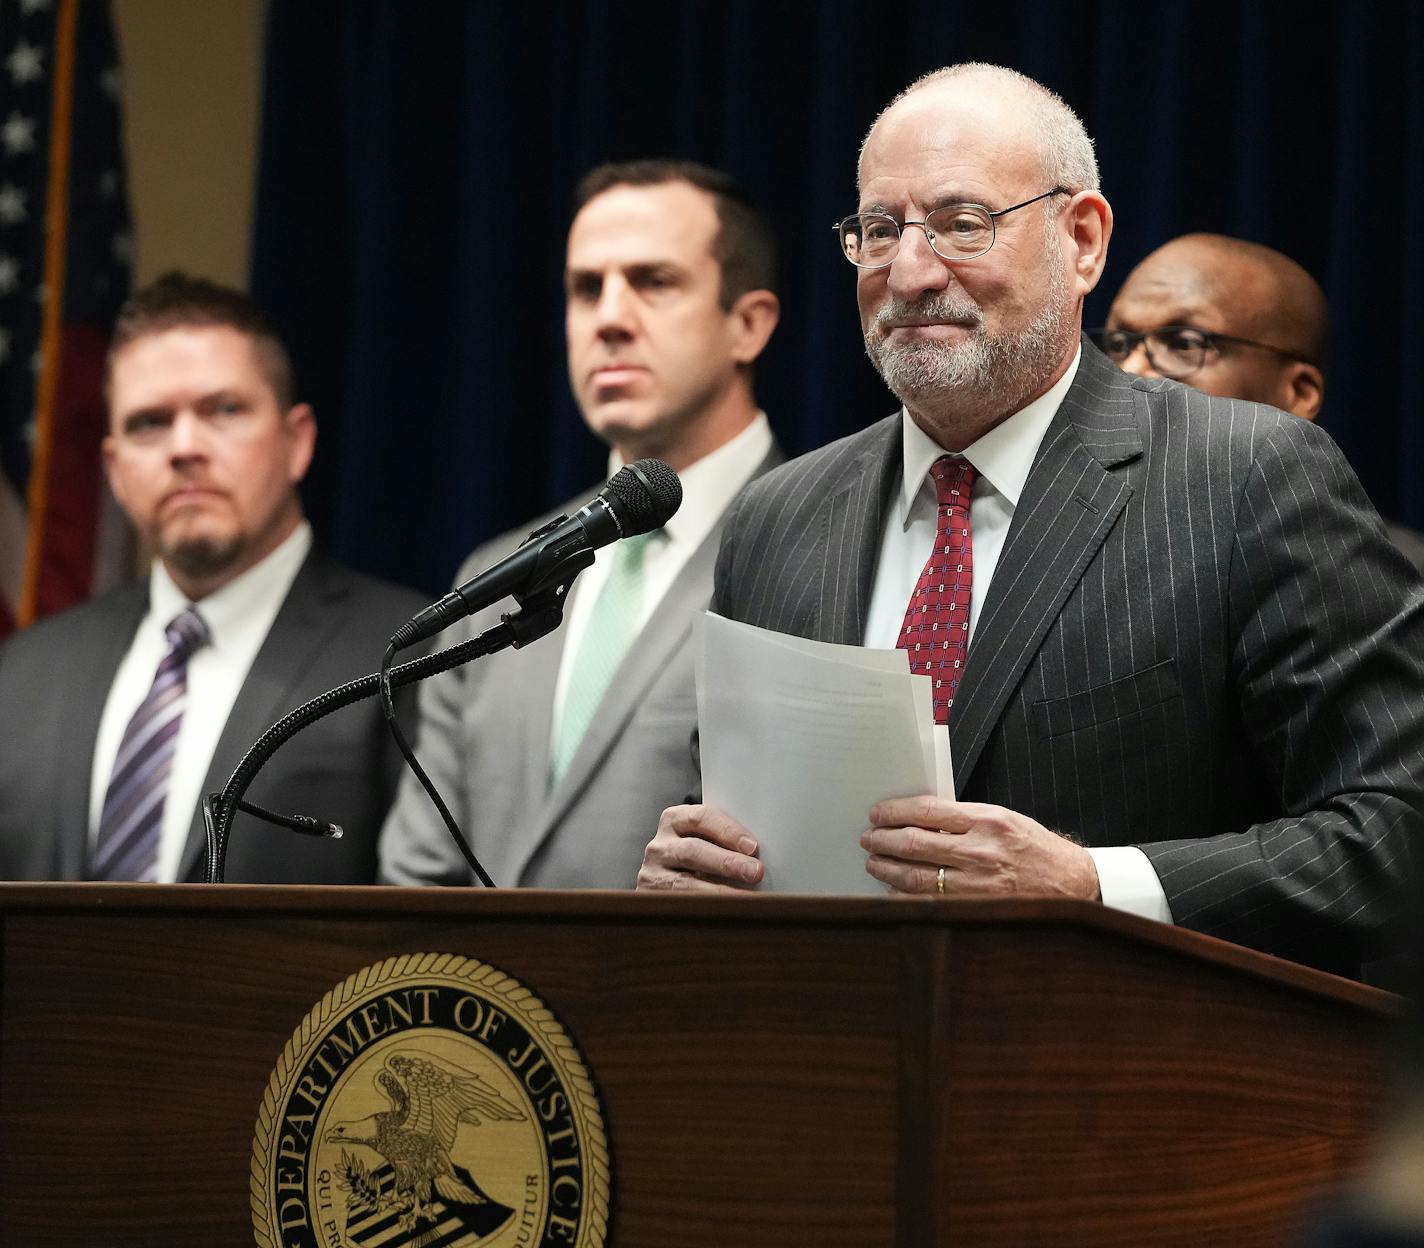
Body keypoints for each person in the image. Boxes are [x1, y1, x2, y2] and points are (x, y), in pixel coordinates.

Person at [636, 64, 1424, 978]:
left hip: (1141, 1092)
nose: (912, 272)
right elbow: (736, 830)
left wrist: (1094, 886)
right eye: (879, 231)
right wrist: (694, 877)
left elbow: (1396, 828)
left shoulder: (1248, 478)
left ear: (1082, 241)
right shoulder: (781, 516)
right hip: (825, 1085)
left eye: (962, 225)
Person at [379, 160, 783, 889]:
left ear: (748, 324)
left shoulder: (822, 546)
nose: (610, 317)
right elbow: (419, 876)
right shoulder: (493, 577)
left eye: (653, 282)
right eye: (585, 288)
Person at [0, 273, 425, 883]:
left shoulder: (409, 655)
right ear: (114, 471)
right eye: (149, 422)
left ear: (297, 442)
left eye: (224, 410)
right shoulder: (24, 672)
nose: (184, 447)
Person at [1100, 232, 1424, 570]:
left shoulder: (1399, 580)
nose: (1130, 370)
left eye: (1184, 344)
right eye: (1119, 344)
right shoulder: (1065, 541)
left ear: (1298, 393)